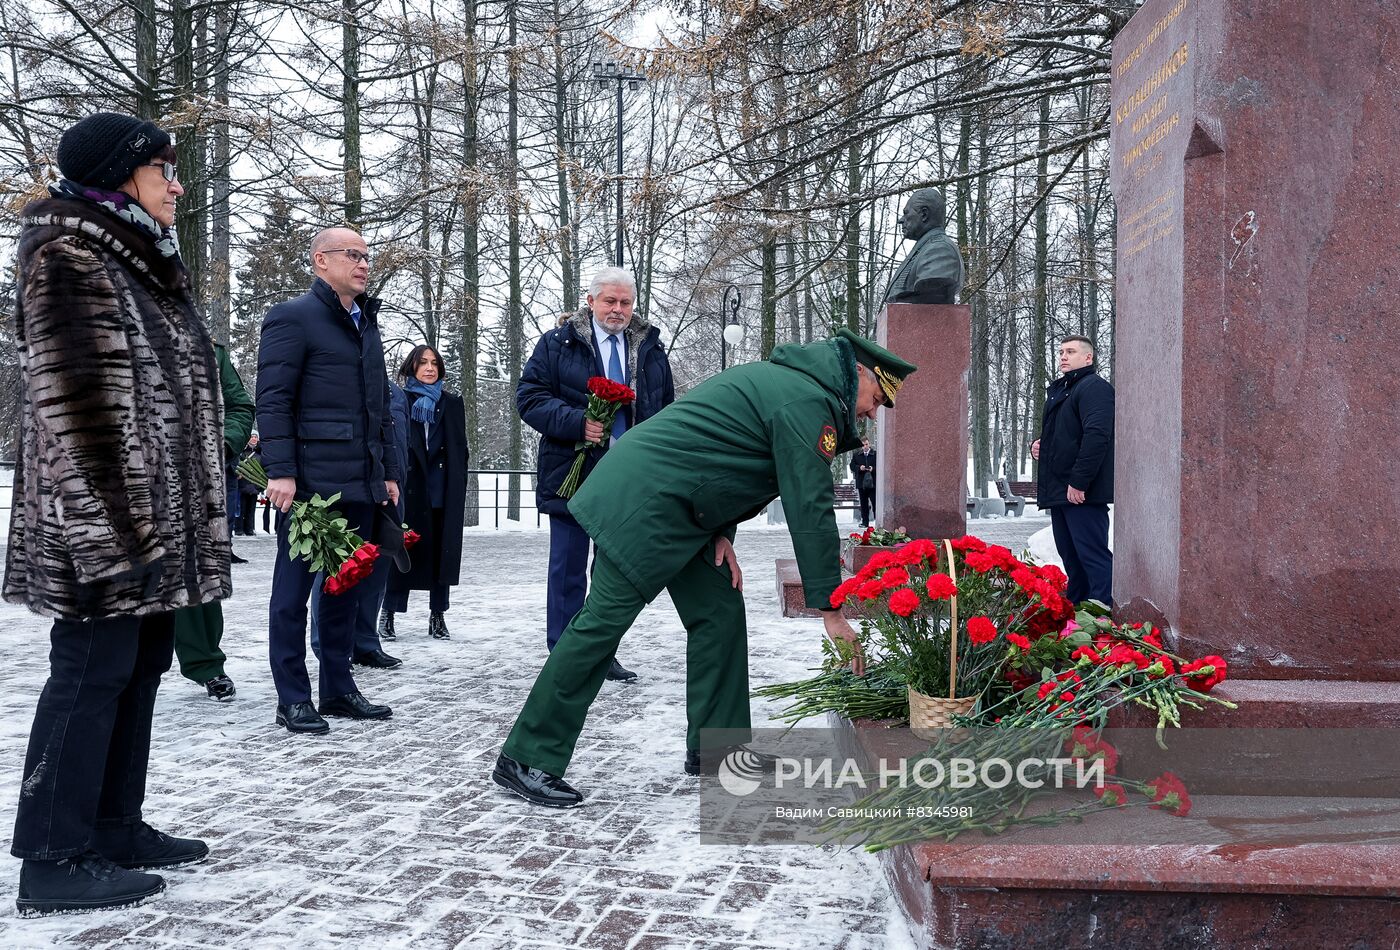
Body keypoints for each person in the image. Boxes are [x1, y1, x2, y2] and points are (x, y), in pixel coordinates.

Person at [492, 328, 916, 808]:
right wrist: (830, 609)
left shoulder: (795, 388)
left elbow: (725, 457)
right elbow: (809, 508)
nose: (872, 412)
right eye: (876, 398)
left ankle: (718, 748)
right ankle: (528, 757)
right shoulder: (804, 402)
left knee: (719, 612)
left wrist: (721, 532)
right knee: (600, 627)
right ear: (857, 372)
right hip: (645, 504)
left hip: (686, 511)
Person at [5, 112, 226, 914]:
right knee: (89, 672)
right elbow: (82, 408)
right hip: (104, 520)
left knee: (137, 666)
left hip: (154, 520)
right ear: (118, 176)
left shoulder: (135, 260)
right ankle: (53, 858)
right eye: (163, 169)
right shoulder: (68, 257)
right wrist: (118, 533)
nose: (177, 184)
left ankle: (113, 823)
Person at [256, 226, 401, 734]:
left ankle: (338, 688)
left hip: (362, 482)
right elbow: (273, 401)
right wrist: (281, 470)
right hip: (311, 486)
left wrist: (388, 474)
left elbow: (379, 407)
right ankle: (293, 697)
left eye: (367, 256)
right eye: (352, 254)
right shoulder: (292, 318)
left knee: (345, 591)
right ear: (321, 260)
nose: (364, 263)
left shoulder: (368, 324)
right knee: (292, 596)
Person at [517, 267, 675, 681]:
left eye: (625, 302)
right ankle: (566, 653)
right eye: (610, 301)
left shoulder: (651, 350)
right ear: (591, 302)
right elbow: (529, 398)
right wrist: (577, 423)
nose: (618, 310)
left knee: (611, 572)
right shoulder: (558, 344)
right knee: (568, 567)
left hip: (629, 478)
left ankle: (602, 651)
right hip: (572, 470)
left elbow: (667, 412)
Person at [172, 344, 255, 702]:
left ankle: (206, 665)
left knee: (196, 572)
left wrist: (221, 444)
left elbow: (240, 406)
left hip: (196, 480)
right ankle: (124, 667)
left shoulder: (209, 350)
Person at [309, 374, 408, 668]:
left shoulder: (396, 394)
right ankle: (327, 644)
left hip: (385, 491)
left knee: (376, 568)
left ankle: (365, 641)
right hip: (340, 487)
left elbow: (398, 442)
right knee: (334, 569)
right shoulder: (335, 382)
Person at [381, 345, 469, 640]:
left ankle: (438, 616)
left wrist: (457, 488)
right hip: (407, 487)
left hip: (440, 490)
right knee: (399, 551)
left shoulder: (452, 403)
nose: (430, 368)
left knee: (440, 554)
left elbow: (459, 448)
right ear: (411, 368)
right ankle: (388, 614)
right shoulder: (398, 400)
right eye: (423, 363)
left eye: (435, 363)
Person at [1031, 335, 1114, 606]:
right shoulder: (1063, 390)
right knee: (1072, 557)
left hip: (1082, 492)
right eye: (1061, 352)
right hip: (1060, 491)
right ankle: (1079, 614)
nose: (1063, 356)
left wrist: (1079, 481)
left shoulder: (1093, 388)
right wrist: (1040, 446)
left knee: (1092, 556)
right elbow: (1068, 437)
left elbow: (1097, 436)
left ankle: (1102, 615)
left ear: (1088, 358)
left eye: (1071, 351)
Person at [882, 188, 964, 305]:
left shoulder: (939, 250)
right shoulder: (925, 248)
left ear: (924, 214)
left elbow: (932, 287)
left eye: (906, 213)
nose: (901, 220)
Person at [236, 434, 262, 536]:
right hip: (242, 485)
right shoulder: (241, 453)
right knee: (241, 508)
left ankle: (250, 529)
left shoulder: (260, 454)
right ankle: (239, 529)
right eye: (252, 436)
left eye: (256, 437)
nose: (254, 439)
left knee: (251, 510)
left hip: (254, 486)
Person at [850, 436, 878, 527]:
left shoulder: (875, 454)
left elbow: (881, 465)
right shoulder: (856, 455)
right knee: (863, 504)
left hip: (873, 484)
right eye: (863, 445)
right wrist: (859, 468)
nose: (865, 446)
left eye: (866, 444)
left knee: (875, 503)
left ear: (869, 444)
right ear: (861, 446)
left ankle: (877, 522)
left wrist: (873, 468)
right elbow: (852, 466)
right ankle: (865, 522)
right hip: (861, 484)